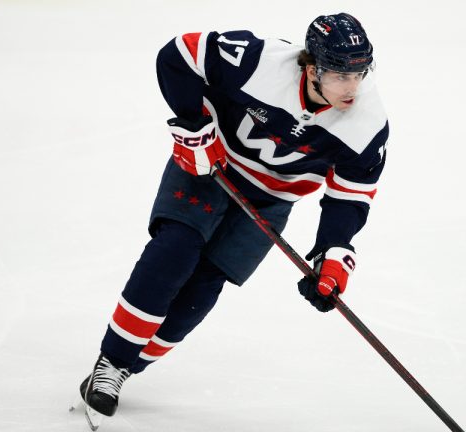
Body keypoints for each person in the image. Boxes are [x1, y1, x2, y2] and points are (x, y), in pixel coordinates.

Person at [75, 12, 388, 428]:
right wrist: (193, 127)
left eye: (360, 74)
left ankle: (128, 367)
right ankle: (112, 362)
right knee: (175, 249)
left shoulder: (368, 123)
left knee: (207, 281)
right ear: (312, 68)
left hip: (272, 199)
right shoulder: (259, 62)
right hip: (210, 166)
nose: (352, 88)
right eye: (340, 76)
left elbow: (349, 197)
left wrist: (333, 252)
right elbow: (179, 55)